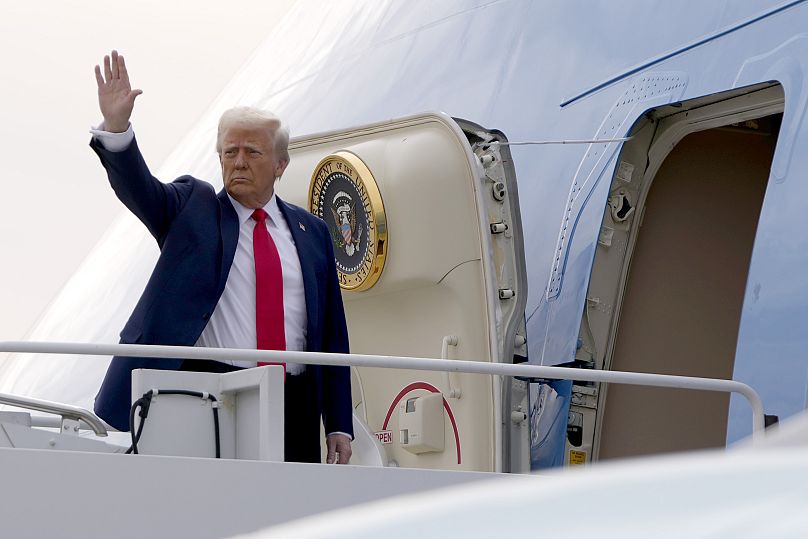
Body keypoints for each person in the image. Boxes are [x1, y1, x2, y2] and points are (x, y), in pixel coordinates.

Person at [90, 50, 353, 464]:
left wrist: (338, 422)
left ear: (281, 163)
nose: (239, 163)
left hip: (295, 397)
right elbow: (140, 189)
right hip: (212, 391)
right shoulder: (193, 208)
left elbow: (333, 335)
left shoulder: (313, 232)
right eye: (229, 153)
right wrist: (118, 130)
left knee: (292, 517)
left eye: (252, 152)